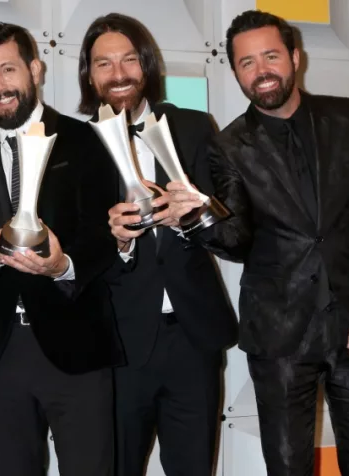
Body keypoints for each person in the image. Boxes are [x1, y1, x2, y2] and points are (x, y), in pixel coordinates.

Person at [168, 10, 349, 476]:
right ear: (235, 71)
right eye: (247, 63)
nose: (261, 71)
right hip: (278, 338)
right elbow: (237, 239)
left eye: (270, 56)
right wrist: (196, 218)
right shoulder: (229, 145)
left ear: (295, 57)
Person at [0, 21, 124, 476]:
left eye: (8, 70)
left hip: (77, 349)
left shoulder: (85, 141)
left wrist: (63, 265)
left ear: (36, 69)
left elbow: (105, 235)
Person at [78, 13, 238, 476]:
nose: (119, 72)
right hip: (120, 344)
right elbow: (75, 258)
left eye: (129, 59)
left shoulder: (195, 127)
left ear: (146, 64)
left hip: (194, 337)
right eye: (103, 63)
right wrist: (120, 242)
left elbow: (228, 230)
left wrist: (190, 218)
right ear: (89, 74)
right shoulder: (76, 145)